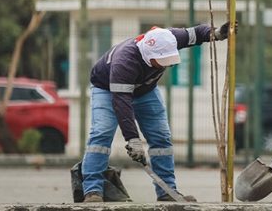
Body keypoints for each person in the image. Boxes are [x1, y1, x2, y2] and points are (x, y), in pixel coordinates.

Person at [81, 22, 231, 203]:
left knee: (161, 137)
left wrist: (216, 33)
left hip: (145, 90)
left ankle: (167, 192)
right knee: (101, 133)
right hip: (107, 89)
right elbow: (121, 103)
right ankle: (92, 191)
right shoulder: (125, 61)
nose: (164, 66)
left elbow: (198, 33)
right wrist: (133, 140)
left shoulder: (170, 38)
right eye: (161, 61)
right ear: (149, 55)